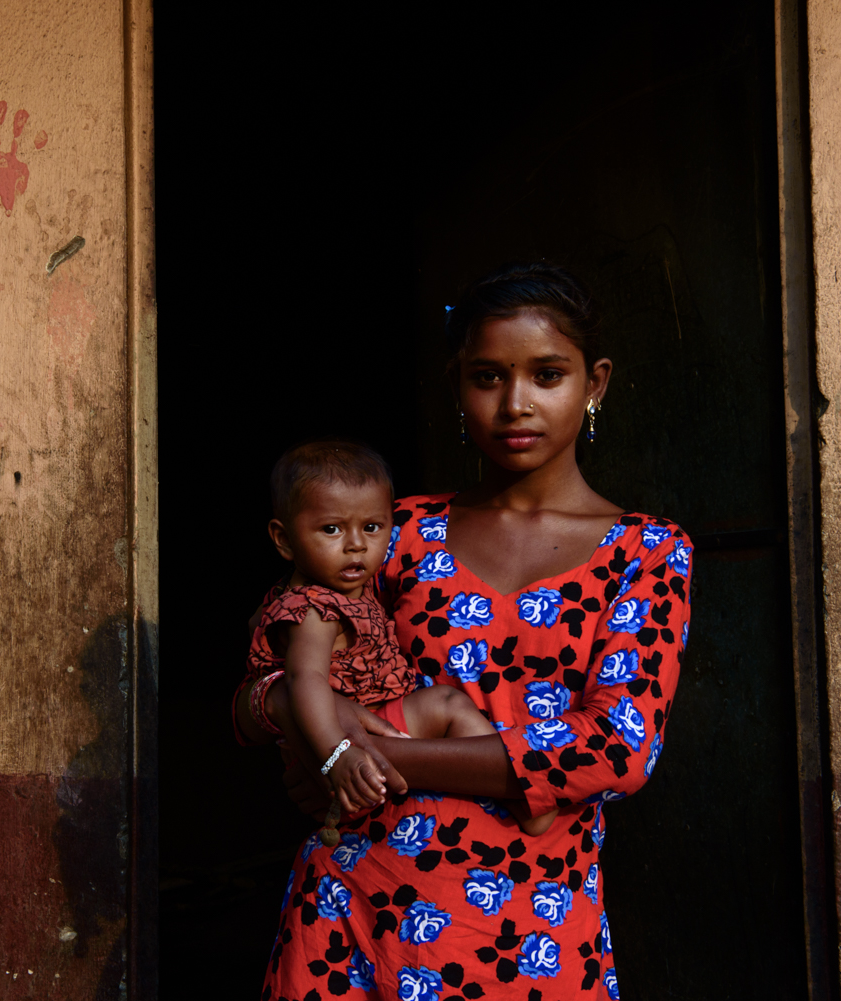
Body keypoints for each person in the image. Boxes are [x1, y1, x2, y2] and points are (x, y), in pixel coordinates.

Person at [234, 262, 693, 1000]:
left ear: (595, 382)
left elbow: (617, 748)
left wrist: (377, 749)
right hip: (356, 912)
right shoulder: (392, 533)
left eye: (548, 375)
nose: (516, 403)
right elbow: (263, 683)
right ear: (456, 384)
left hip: (532, 933)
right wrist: (298, 716)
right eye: (487, 377)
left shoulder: (647, 553)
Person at [245, 440, 557, 837]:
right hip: (349, 745)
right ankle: (525, 791)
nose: (356, 544)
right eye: (331, 529)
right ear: (284, 540)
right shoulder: (314, 609)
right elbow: (302, 680)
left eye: (372, 527)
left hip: (366, 740)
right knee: (446, 703)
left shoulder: (345, 592)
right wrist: (336, 758)